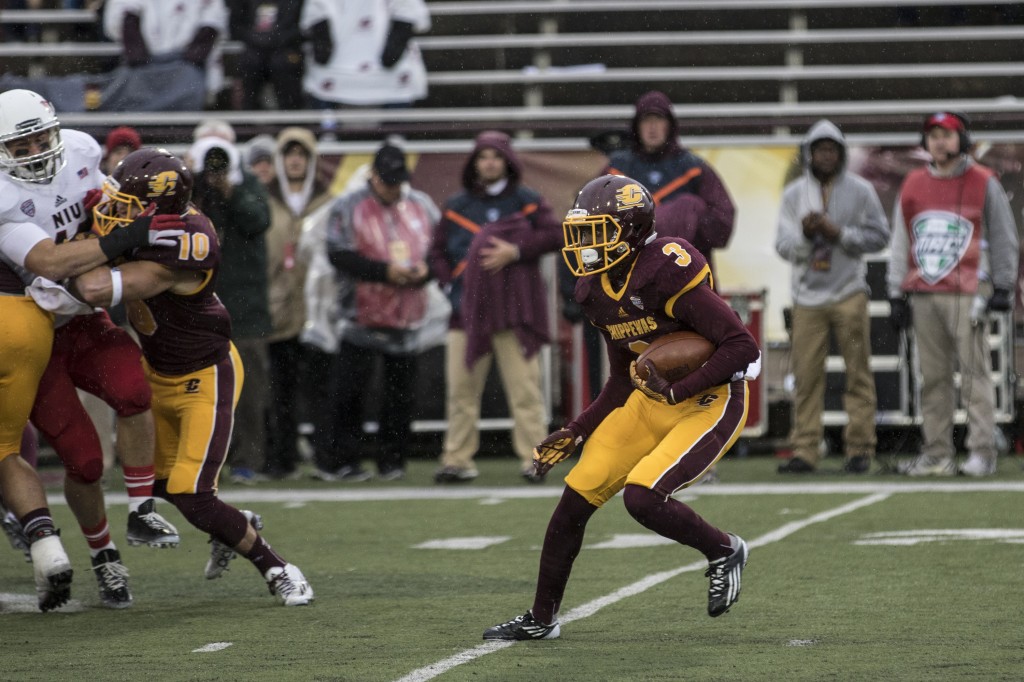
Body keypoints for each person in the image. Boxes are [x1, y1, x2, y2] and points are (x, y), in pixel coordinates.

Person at [483, 174, 760, 641]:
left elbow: (742, 347)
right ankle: (541, 619)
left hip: (709, 400)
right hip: (651, 400)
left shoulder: (667, 268)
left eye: (597, 231)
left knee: (642, 496)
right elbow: (618, 381)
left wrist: (678, 389)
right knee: (573, 504)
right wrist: (577, 429)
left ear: (630, 229)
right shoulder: (595, 291)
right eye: (582, 232)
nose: (585, 244)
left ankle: (723, 549)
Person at [70, 147, 314, 606]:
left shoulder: (182, 247)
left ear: (157, 210)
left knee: (192, 493)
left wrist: (73, 249)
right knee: (156, 482)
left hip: (205, 377)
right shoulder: (159, 222)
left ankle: (278, 567)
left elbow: (94, 287)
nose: (116, 209)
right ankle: (233, 523)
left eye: (130, 204)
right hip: (157, 371)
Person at [0, 88, 184, 610]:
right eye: (21, 143)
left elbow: (113, 207)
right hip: (39, 331)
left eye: (40, 135)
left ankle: (143, 507)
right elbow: (50, 264)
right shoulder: (3, 196)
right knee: (83, 461)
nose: (36, 148)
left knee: (133, 391)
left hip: (85, 320)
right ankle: (104, 556)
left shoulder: (80, 151)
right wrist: (125, 241)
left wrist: (162, 213)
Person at [888, 111, 1019, 477]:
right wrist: (896, 292)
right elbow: (901, 240)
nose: (940, 142)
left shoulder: (983, 181)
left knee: (975, 374)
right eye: (933, 135)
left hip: (967, 291)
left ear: (963, 139)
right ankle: (937, 452)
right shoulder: (912, 183)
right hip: (924, 291)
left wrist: (1003, 284)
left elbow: (1004, 235)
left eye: (947, 135)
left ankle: (982, 451)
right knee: (932, 378)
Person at [428, 130, 563, 484]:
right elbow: (436, 252)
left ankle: (536, 460)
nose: (489, 163)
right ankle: (457, 460)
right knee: (461, 390)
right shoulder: (457, 205)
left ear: (508, 161)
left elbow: (556, 234)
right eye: (483, 157)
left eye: (496, 156)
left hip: (516, 312)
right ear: (474, 163)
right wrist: (449, 284)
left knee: (525, 391)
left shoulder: (527, 200)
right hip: (467, 314)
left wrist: (516, 251)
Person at [774, 120, 890, 475]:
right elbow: (781, 245)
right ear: (809, 155)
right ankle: (806, 449)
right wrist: (808, 238)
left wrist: (841, 234)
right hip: (807, 296)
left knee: (858, 373)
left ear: (840, 154)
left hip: (849, 292)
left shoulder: (860, 190)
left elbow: (880, 237)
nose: (826, 155)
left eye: (832, 149)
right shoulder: (794, 194)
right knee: (807, 376)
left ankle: (860, 448)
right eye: (820, 149)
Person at [318, 143, 438, 481]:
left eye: (398, 180)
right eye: (387, 180)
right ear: (373, 175)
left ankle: (393, 460)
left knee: (400, 396)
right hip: (360, 315)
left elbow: (439, 251)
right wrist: (384, 272)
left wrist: (424, 272)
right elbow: (338, 254)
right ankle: (341, 460)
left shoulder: (421, 205)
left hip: (407, 315)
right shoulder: (348, 206)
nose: (393, 187)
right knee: (350, 393)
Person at [188, 133, 273, 484]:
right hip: (203, 307)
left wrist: (230, 191)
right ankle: (207, 458)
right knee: (204, 391)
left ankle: (248, 460)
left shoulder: (247, 185)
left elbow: (258, 220)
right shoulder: (194, 190)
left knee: (250, 392)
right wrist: (201, 186)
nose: (216, 172)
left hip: (247, 310)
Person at [261, 127, 333, 479]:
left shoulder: (327, 201)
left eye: (301, 154)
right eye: (289, 153)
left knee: (321, 392)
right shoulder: (264, 201)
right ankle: (281, 460)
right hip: (278, 310)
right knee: (279, 393)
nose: (294, 160)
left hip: (317, 311)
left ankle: (324, 459)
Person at [604, 90, 736, 282]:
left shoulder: (694, 168)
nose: (652, 127)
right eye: (646, 120)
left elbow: (723, 226)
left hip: (686, 276)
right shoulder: (616, 170)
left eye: (658, 119)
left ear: (670, 125)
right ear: (636, 126)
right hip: (630, 278)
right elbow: (592, 218)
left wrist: (682, 226)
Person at [102, 0, 229, 111]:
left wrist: (190, 57)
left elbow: (212, 22)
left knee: (189, 86)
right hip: (143, 62)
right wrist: (139, 57)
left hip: (187, 64)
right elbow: (123, 19)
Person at [300, 0, 430, 108]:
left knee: (403, 74)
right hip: (337, 59)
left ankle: (395, 132)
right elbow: (316, 15)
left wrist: (393, 50)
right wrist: (324, 47)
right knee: (319, 77)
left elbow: (407, 13)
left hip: (385, 59)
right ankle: (328, 129)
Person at [227, 0, 307, 109]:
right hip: (254, 48)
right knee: (250, 64)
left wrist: (276, 38)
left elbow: (302, 29)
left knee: (284, 65)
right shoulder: (245, 4)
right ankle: (247, 119)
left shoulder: (296, 3)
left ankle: (290, 119)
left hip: (286, 49)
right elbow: (235, 27)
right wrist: (256, 37)